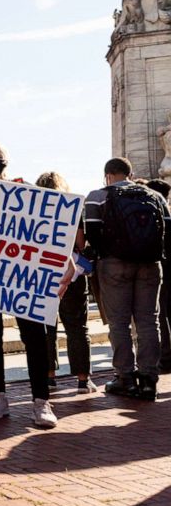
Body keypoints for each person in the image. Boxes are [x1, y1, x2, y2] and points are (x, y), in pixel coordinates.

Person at [0, 142, 56, 428]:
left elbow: (47, 227)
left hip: (23, 276)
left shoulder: (24, 188)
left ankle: (41, 401)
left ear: (7, 161)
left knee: (35, 337)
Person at [83, 158, 169, 401]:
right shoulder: (155, 196)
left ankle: (125, 378)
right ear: (130, 173)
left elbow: (92, 232)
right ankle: (149, 380)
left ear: (107, 175)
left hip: (114, 265)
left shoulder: (97, 196)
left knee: (118, 323)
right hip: (151, 265)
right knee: (149, 321)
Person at [38, 171, 97, 394]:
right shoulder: (72, 208)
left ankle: (49, 377)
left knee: (46, 327)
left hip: (42, 272)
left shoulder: (35, 210)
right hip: (70, 273)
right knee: (77, 327)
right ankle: (83, 380)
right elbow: (80, 243)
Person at [145, 179, 171, 374]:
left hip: (156, 267)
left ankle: (163, 358)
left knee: (157, 314)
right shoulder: (165, 211)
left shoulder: (149, 214)